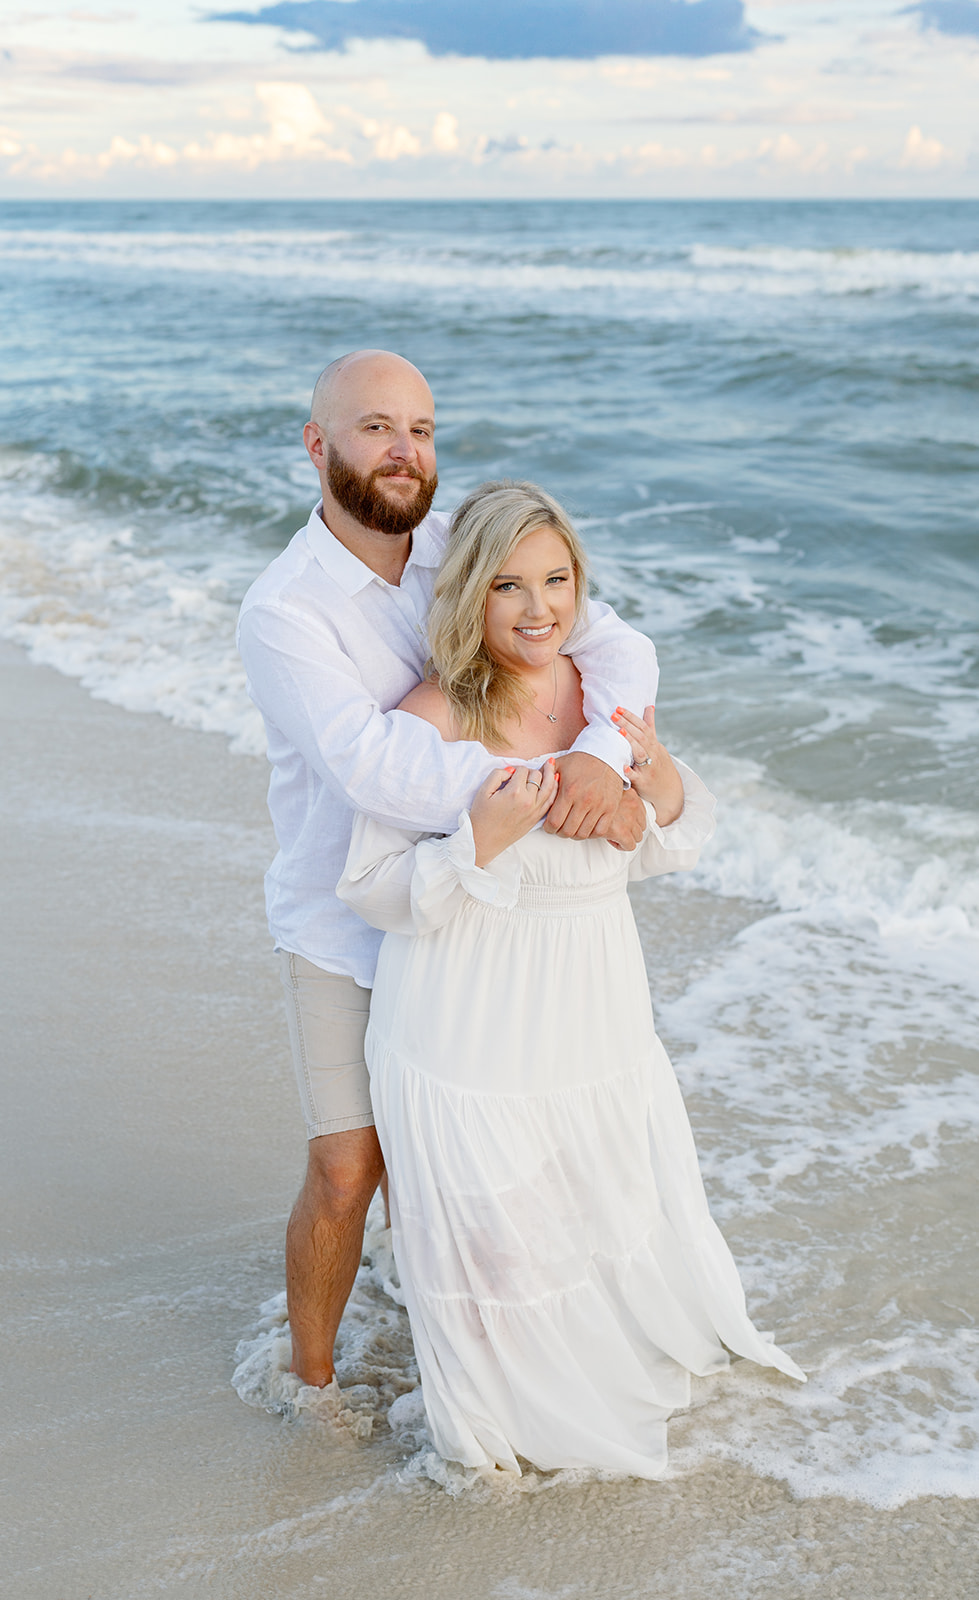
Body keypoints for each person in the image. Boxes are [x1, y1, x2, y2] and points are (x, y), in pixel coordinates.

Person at [337, 480, 804, 1477]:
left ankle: (588, 1375)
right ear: (469, 594)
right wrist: (475, 840)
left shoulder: (600, 701)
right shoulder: (428, 717)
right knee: (497, 1246)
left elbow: (666, 836)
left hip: (589, 1010)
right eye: (507, 585)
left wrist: (647, 794)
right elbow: (369, 888)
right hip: (464, 1022)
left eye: (556, 580)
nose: (537, 606)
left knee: (590, 1212)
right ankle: (510, 1428)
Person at [237, 351, 659, 1391]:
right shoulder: (285, 610)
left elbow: (615, 646)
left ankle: (476, 1365)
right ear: (316, 445)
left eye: (420, 430)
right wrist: (547, 783)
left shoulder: (460, 549)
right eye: (376, 427)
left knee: (474, 1160)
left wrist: (605, 758)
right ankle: (311, 1381)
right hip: (347, 916)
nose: (403, 451)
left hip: (476, 911)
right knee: (348, 1170)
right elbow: (372, 767)